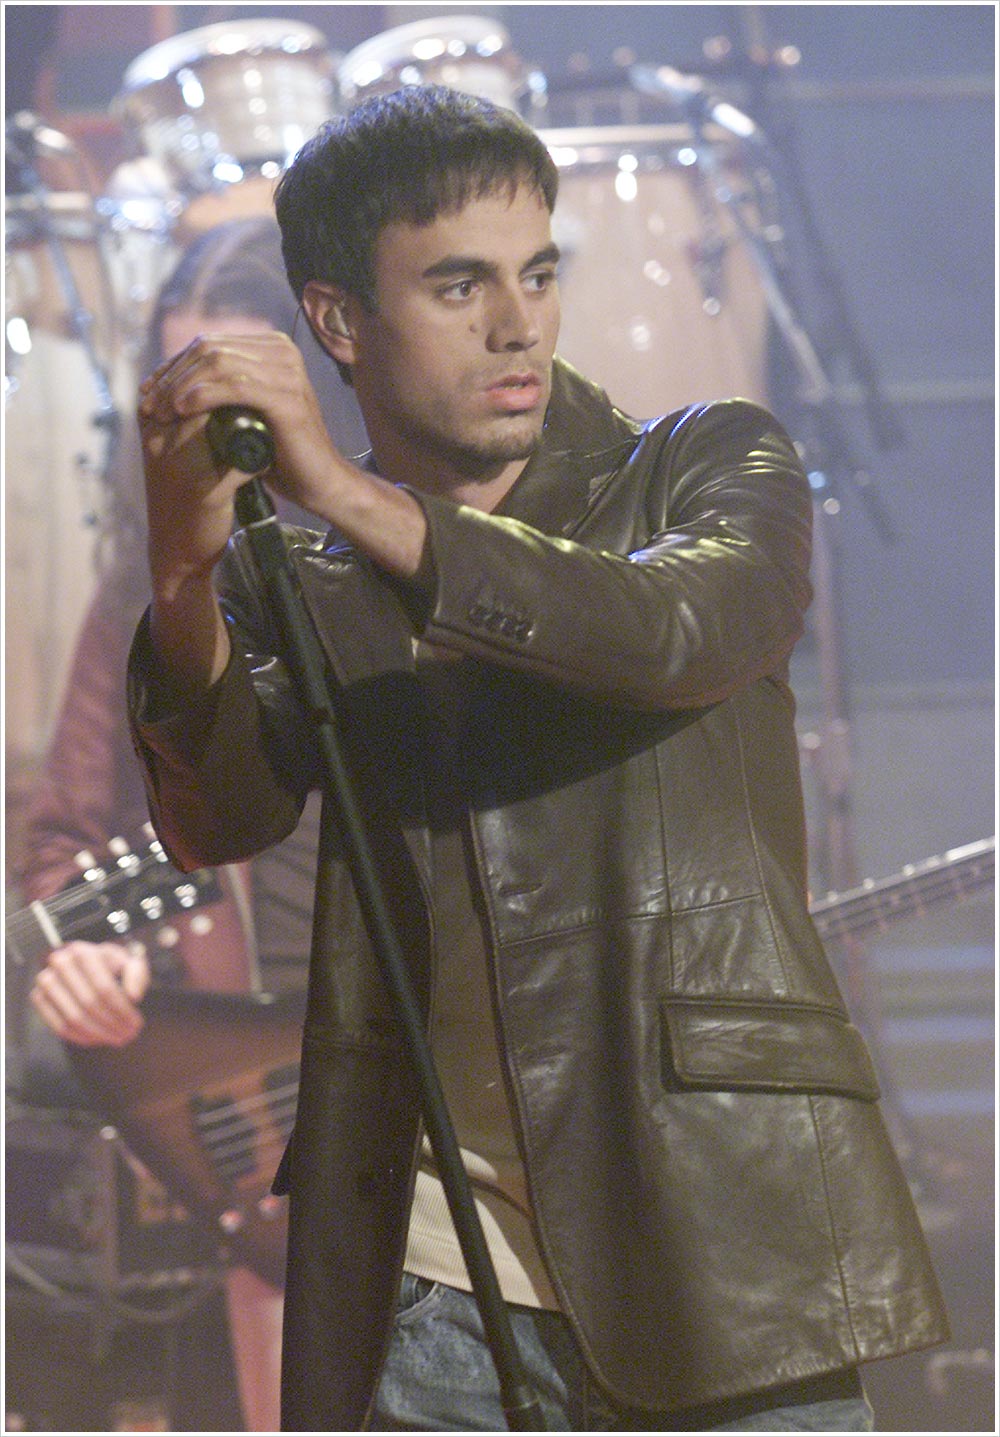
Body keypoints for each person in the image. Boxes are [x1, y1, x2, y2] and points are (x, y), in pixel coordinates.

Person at [126, 85, 948, 1432]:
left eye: (538, 273)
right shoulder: (307, 580)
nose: (518, 324)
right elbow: (219, 816)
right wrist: (179, 572)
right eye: (460, 286)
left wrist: (340, 490)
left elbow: (667, 632)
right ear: (339, 321)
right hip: (430, 1282)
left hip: (728, 1244)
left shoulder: (702, 467)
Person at [18, 216, 356, 1431]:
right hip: (240, 1097)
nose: (201, 426)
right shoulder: (146, 584)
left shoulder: (400, 551)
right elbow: (61, 844)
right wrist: (84, 955)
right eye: (175, 394)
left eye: (232, 387)